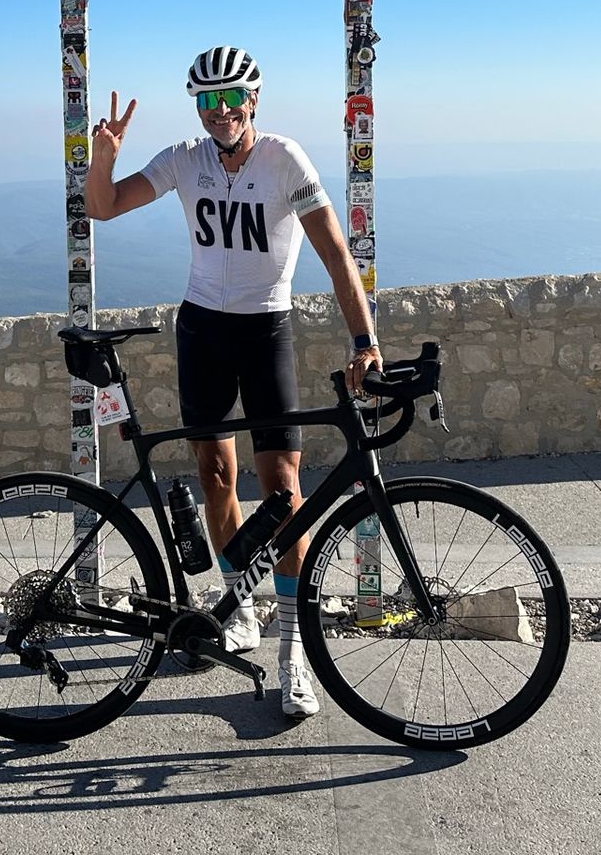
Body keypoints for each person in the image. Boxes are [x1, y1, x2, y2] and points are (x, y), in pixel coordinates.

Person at [86, 45, 380, 720]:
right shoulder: (184, 159)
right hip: (202, 331)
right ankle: (239, 608)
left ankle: (293, 649)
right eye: (206, 100)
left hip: (265, 330)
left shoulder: (284, 159)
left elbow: (336, 253)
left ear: (253, 100)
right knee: (215, 475)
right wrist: (104, 157)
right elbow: (104, 207)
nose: (219, 111)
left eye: (230, 98)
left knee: (284, 491)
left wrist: (365, 342)